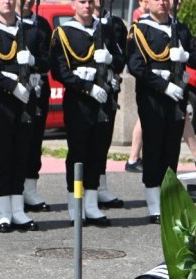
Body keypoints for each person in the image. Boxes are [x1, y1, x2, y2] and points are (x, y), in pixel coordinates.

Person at [127, 0, 196, 223]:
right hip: (153, 98)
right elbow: (136, 66)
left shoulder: (180, 29)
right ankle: (153, 202)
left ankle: (168, 197)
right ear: (145, 3)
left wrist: (186, 56)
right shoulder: (140, 30)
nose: (162, 2)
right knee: (153, 148)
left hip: (176, 98)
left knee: (171, 149)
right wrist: (163, 86)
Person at [49, 0, 124, 225]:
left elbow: (121, 61)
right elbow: (59, 70)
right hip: (79, 102)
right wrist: (87, 87)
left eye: (91, 2)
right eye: (82, 2)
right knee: (78, 153)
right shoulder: (63, 33)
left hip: (104, 102)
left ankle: (92, 205)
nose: (88, 6)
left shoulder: (105, 29)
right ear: (73, 5)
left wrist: (111, 60)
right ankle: (76, 203)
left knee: (98, 152)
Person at [0, 0, 44, 232]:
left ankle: (18, 209)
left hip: (26, 102)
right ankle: (3, 212)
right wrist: (12, 84)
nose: (7, 1)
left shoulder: (31, 30)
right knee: (3, 156)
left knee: (22, 154)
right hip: (1, 102)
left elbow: (48, 60)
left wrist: (33, 61)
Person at [93, 0, 127, 209]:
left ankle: (101, 187)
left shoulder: (115, 24)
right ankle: (85, 190)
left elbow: (122, 59)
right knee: (86, 144)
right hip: (87, 89)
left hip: (108, 89)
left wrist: (111, 60)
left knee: (103, 140)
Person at [21, 0, 53, 213]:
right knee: (15, 144)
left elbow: (48, 59)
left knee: (34, 141)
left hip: (37, 86)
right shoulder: (8, 25)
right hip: (14, 88)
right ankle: (13, 191)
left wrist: (34, 61)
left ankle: (30, 189)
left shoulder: (41, 24)